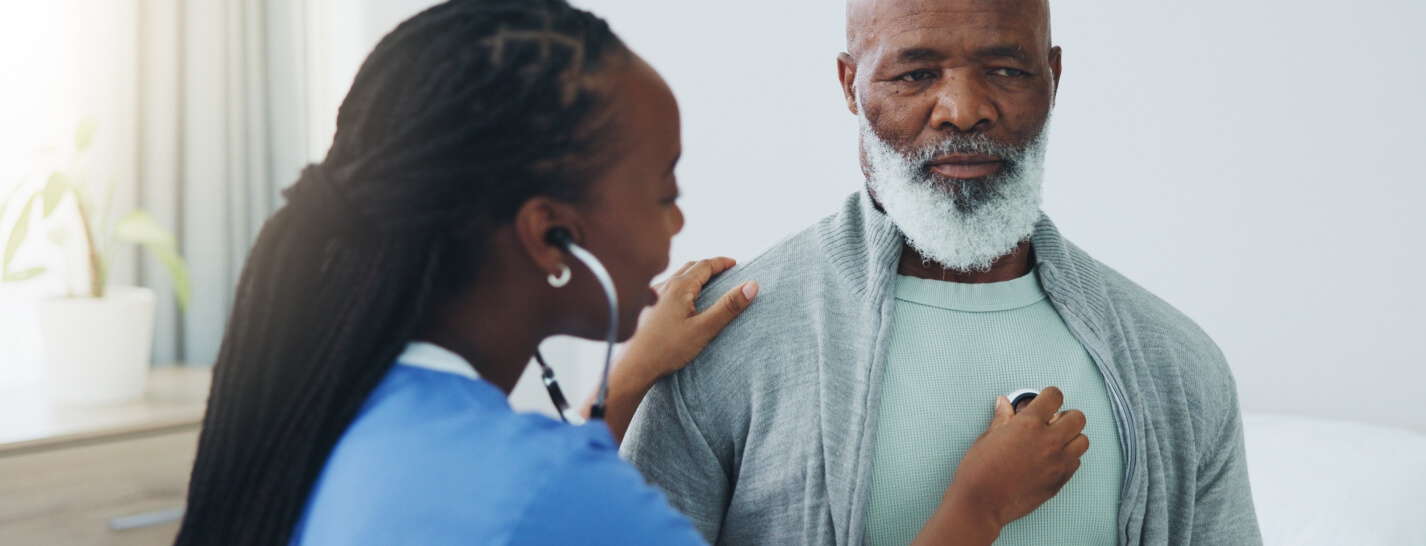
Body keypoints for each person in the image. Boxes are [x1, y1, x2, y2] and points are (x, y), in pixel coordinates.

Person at [173, 1, 1091, 545]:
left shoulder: (346, 410)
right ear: (554, 239)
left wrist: (630, 378)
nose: (681, 221)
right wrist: (976, 508)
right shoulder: (549, 495)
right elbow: (545, 506)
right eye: (663, 190)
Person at [620, 0, 1264, 545]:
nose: (962, 108)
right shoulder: (723, 346)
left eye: (1007, 69)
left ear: (1054, 76)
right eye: (915, 73)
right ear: (849, 85)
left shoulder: (1175, 366)